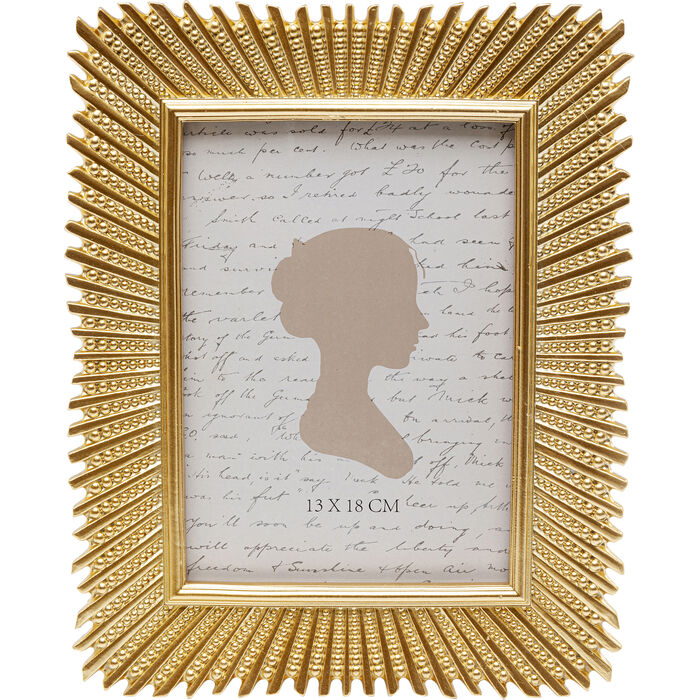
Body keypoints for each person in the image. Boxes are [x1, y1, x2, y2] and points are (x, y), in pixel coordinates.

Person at [271, 227, 428, 478]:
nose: (422, 321)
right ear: (356, 317)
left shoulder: (344, 416)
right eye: (402, 303)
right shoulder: (332, 424)